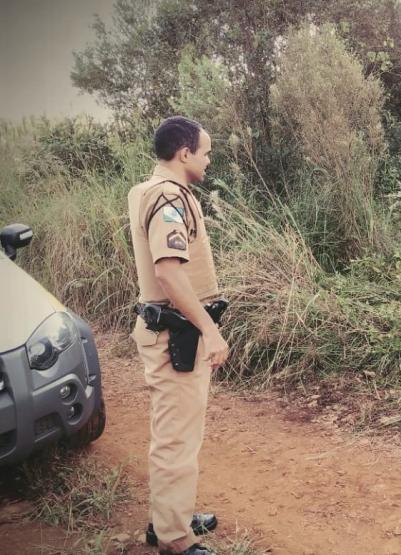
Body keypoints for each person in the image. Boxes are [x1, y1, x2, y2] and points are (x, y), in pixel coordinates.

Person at [128, 116, 229, 555]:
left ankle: (171, 515)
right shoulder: (169, 196)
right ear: (184, 153)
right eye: (205, 152)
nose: (208, 160)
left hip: (172, 333)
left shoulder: (148, 191)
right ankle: (172, 538)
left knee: (178, 434)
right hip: (177, 336)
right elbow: (168, 272)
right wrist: (209, 328)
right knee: (175, 438)